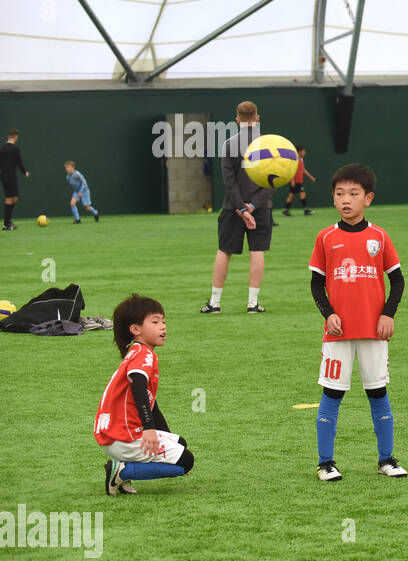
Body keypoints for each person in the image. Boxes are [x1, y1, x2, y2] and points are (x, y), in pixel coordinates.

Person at [310, 164, 407, 482]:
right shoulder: (326, 237)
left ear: (368, 198)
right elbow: (316, 284)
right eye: (339, 194)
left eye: (353, 194)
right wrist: (329, 314)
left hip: (373, 332)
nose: (345, 200)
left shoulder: (379, 236)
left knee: (378, 393)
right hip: (338, 334)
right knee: (332, 394)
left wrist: (387, 314)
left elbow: (398, 281)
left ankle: (386, 459)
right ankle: (326, 462)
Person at [95, 294, 197, 496]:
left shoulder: (137, 352)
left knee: (180, 444)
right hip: (122, 437)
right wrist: (149, 429)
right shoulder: (143, 354)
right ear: (135, 329)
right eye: (155, 321)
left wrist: (167, 437)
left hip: (117, 434)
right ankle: (122, 471)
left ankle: (122, 471)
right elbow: (138, 389)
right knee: (186, 462)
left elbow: (151, 403)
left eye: (164, 321)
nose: (163, 327)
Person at [202, 101, 273, 314]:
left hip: (232, 208)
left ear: (237, 119)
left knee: (224, 251)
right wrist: (252, 206)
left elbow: (229, 181)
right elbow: (273, 180)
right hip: (261, 207)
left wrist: (241, 208)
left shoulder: (229, 144)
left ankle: (214, 303)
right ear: (257, 117)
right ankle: (252, 303)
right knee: (257, 251)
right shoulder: (268, 144)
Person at [1, 128, 29, 231]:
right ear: (16, 137)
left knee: (14, 198)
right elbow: (19, 162)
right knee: (10, 198)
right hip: (10, 175)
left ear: (8, 136)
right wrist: (25, 172)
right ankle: (6, 224)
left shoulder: (2, 148)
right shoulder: (15, 149)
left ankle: (8, 222)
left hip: (4, 176)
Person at [283, 146, 316, 216]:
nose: (305, 153)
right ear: (299, 152)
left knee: (301, 194)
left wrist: (311, 177)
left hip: (299, 181)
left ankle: (306, 210)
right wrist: (292, 180)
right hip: (295, 181)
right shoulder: (294, 159)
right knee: (292, 195)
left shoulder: (301, 159)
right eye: (304, 151)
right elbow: (291, 170)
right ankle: (286, 210)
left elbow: (303, 170)